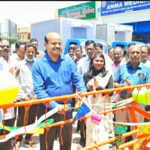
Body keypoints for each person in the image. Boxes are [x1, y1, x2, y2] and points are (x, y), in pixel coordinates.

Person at [32, 32, 87, 150]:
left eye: (59, 43)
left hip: (66, 108)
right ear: (45, 45)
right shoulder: (38, 65)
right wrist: (54, 105)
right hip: (47, 110)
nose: (57, 46)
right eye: (53, 43)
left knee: (66, 142)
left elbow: (77, 78)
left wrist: (83, 93)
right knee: (46, 143)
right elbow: (39, 90)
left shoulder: (68, 61)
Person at [114, 44, 150, 145]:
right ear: (128, 54)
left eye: (137, 52)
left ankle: (138, 147)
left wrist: (136, 89)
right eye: (132, 52)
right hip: (122, 102)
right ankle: (118, 146)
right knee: (120, 128)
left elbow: (149, 86)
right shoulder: (122, 68)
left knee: (137, 129)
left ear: (140, 55)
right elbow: (114, 82)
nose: (135, 54)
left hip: (138, 103)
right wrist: (119, 86)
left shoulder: (146, 69)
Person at [83, 52, 114, 150]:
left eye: (101, 61)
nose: (99, 63)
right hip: (91, 107)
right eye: (96, 60)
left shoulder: (108, 75)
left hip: (103, 109)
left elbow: (111, 92)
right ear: (92, 62)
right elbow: (84, 91)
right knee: (91, 132)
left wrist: (99, 88)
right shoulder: (87, 75)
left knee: (102, 132)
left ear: (104, 63)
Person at [13, 43, 37, 149]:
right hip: (23, 97)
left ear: (35, 52)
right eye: (28, 51)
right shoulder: (20, 65)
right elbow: (16, 81)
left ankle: (28, 138)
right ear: (25, 52)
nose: (30, 54)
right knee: (21, 119)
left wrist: (36, 95)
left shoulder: (38, 64)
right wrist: (22, 96)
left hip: (34, 97)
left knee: (32, 118)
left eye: (32, 52)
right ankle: (18, 139)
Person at [0, 40, 16, 150]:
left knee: (10, 127)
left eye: (7, 46)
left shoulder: (13, 61)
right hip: (1, 102)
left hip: (11, 102)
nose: (5, 48)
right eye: (2, 46)